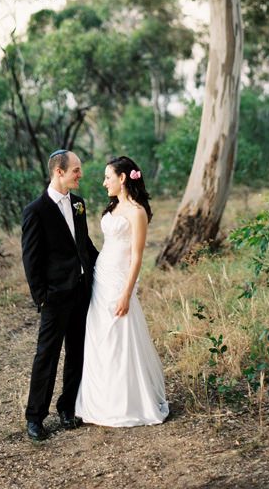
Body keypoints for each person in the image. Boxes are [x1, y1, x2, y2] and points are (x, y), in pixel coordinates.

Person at [75, 155, 169, 427]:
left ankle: (128, 402)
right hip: (101, 276)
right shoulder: (113, 207)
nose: (104, 182)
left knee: (120, 338)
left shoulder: (137, 212)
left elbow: (137, 257)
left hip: (120, 281)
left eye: (108, 177)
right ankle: (101, 401)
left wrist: (127, 293)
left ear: (123, 178)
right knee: (100, 338)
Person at [21, 149, 99, 442]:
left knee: (77, 351)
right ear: (59, 172)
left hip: (81, 291)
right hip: (54, 297)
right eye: (76, 170)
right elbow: (31, 259)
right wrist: (41, 297)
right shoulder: (35, 211)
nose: (81, 174)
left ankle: (67, 408)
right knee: (47, 356)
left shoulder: (78, 204)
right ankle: (35, 417)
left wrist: (108, 265)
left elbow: (84, 245)